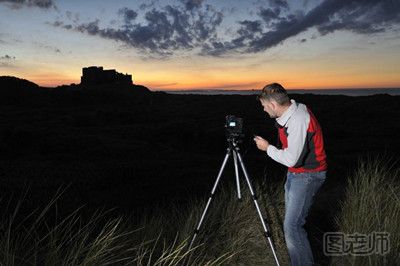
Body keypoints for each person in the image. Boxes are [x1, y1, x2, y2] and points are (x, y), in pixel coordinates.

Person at [253, 83, 327, 266]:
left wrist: (267, 148)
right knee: (293, 224)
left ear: (273, 104)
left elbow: (292, 159)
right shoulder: (293, 110)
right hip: (297, 174)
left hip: (308, 175)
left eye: (264, 106)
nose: (263, 110)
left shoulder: (298, 120)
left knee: (292, 227)